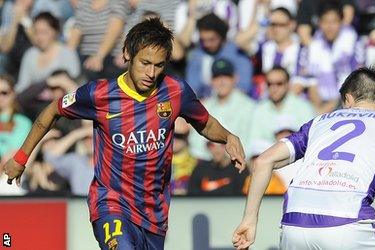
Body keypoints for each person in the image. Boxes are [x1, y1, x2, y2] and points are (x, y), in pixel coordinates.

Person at [2, 18, 246, 250]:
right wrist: (21, 158)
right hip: (111, 202)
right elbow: (51, 111)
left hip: (154, 213)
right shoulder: (99, 94)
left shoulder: (175, 91)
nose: (151, 73)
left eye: (159, 65)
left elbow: (204, 123)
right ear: (128, 55)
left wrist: (228, 137)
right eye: (145, 63)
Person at [231, 67, 375, 249]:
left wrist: (249, 220)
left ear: (347, 99)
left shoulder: (319, 122)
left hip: (293, 225)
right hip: (349, 222)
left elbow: (263, 161)